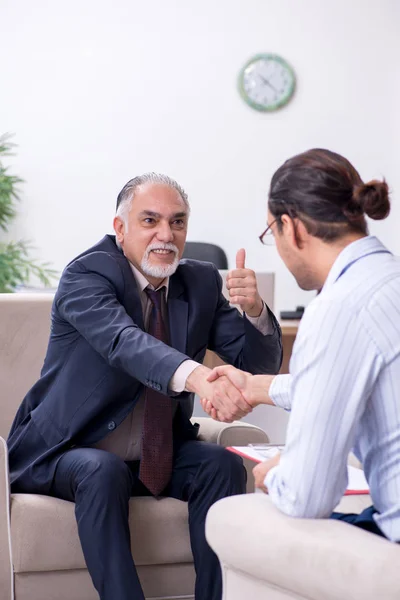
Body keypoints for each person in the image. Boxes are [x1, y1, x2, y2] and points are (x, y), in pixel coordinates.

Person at [7, 172, 282, 600]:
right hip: (71, 450)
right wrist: (197, 378)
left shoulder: (201, 281)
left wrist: (256, 312)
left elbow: (258, 365)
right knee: (103, 470)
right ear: (120, 228)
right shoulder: (87, 274)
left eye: (177, 222)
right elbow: (123, 342)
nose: (165, 235)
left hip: (156, 452)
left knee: (221, 465)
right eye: (149, 220)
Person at [204, 148, 400, 542]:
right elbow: (354, 379)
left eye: (270, 233)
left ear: (290, 228)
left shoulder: (338, 307)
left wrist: (276, 471)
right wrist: (258, 387)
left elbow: (308, 497)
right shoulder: (386, 279)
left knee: (235, 522)